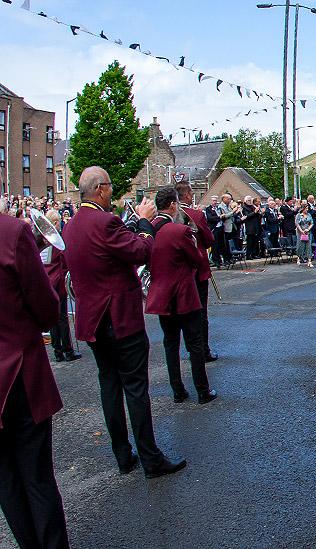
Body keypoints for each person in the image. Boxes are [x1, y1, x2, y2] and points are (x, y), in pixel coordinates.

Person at [62, 166, 186, 478]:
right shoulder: (106, 221)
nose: (112, 193)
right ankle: (150, 458)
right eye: (110, 187)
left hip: (92, 319)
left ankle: (122, 454)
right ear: (101, 189)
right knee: (135, 387)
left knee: (109, 385)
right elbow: (142, 250)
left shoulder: (71, 224)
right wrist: (145, 220)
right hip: (118, 317)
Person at [0, 212, 70, 549]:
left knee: (6, 479)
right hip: (17, 373)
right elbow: (46, 309)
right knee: (36, 474)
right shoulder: (12, 231)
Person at [148, 187, 217, 405]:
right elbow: (197, 259)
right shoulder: (178, 230)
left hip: (161, 295)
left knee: (170, 344)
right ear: (172, 205)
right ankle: (202, 391)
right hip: (183, 295)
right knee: (194, 344)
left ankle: (177, 390)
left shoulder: (147, 229)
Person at [176, 183, 219, 363]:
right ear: (186, 196)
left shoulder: (167, 217)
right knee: (200, 312)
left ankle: (189, 347)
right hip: (197, 268)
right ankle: (203, 350)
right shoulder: (196, 215)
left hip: (177, 271)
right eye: (191, 193)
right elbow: (209, 240)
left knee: (182, 312)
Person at [41, 209, 82, 363]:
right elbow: (64, 260)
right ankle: (68, 350)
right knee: (62, 318)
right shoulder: (56, 240)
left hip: (47, 281)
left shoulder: (42, 239)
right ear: (56, 222)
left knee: (53, 319)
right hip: (57, 281)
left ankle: (57, 350)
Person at [216, 194, 236, 265]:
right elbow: (224, 216)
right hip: (225, 227)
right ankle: (226, 259)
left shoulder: (229, 206)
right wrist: (233, 212)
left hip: (231, 227)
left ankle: (230, 258)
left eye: (230, 199)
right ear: (224, 199)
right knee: (225, 244)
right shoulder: (220, 207)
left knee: (229, 244)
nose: (230, 200)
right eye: (228, 199)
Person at [296, 203, 314, 267]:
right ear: (302, 208)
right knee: (300, 246)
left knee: (309, 246)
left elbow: (312, 223)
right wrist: (301, 231)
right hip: (300, 233)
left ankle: (309, 261)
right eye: (306, 208)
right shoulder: (299, 215)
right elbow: (297, 224)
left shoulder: (309, 215)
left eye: (307, 208)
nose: (307, 210)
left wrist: (308, 229)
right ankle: (298, 258)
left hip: (308, 232)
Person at [204, 196, 221, 265]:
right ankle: (215, 260)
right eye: (214, 201)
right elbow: (210, 218)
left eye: (216, 201)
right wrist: (219, 217)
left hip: (220, 227)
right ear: (211, 201)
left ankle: (219, 259)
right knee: (215, 245)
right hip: (214, 228)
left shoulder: (218, 208)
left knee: (220, 244)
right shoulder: (208, 209)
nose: (215, 202)